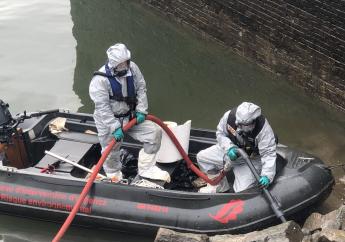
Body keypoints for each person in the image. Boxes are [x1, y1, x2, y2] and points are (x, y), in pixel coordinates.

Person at [89, 43, 170, 182]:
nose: (125, 66)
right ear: (114, 64)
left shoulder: (133, 69)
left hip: (130, 116)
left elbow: (141, 88)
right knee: (111, 149)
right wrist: (114, 127)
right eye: (121, 64)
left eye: (126, 62)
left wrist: (141, 110)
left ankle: (147, 168)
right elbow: (102, 108)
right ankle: (113, 175)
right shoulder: (100, 81)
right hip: (109, 121)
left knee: (154, 132)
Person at [196, 102, 277, 193]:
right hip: (230, 151)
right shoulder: (229, 117)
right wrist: (229, 147)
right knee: (202, 158)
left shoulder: (264, 129)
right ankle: (220, 186)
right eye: (240, 124)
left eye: (246, 125)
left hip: (251, 160)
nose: (242, 127)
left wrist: (267, 176)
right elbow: (220, 134)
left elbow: (268, 153)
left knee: (241, 191)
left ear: (254, 120)